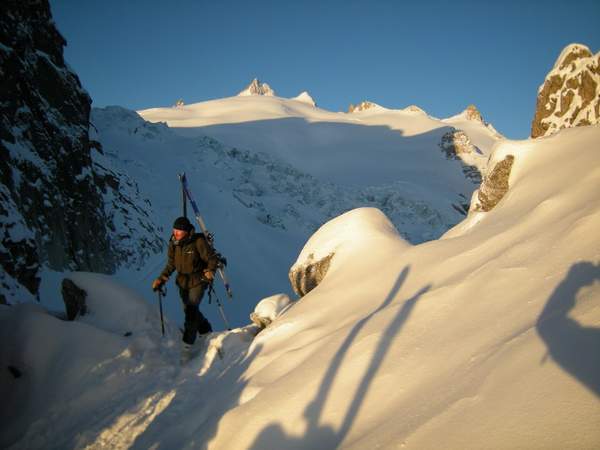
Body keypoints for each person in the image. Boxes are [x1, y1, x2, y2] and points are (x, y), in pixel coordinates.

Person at [152, 216, 220, 358]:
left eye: (179, 230)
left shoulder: (198, 241)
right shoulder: (173, 243)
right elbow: (171, 264)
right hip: (183, 281)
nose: (175, 232)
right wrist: (162, 278)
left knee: (190, 311)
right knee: (189, 309)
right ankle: (206, 332)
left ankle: (186, 348)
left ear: (186, 231)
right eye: (174, 229)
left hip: (199, 280)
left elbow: (212, 258)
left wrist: (210, 271)